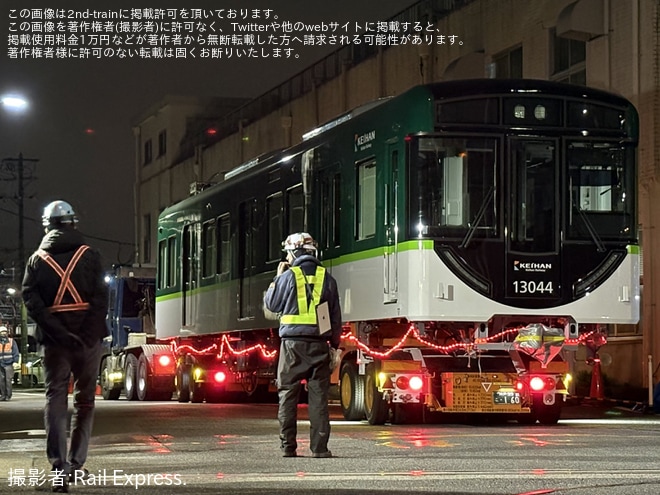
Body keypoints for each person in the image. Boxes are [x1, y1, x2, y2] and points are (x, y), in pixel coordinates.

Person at [22, 200, 109, 493]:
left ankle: (58, 468)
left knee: (55, 399)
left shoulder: (36, 260)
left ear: (47, 226)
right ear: (73, 224)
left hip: (55, 344)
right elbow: (100, 299)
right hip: (88, 341)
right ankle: (76, 463)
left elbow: (32, 301)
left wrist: (59, 331)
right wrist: (85, 334)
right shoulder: (91, 255)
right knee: (85, 401)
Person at [263, 232, 342, 458]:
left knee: (287, 395)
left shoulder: (288, 277)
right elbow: (335, 317)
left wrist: (276, 279)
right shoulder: (327, 278)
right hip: (319, 345)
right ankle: (320, 448)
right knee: (318, 398)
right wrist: (334, 346)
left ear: (295, 252)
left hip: (292, 347)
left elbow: (272, 304)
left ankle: (288, 447)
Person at [0, 325, 19, 401]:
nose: (3, 333)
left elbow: (15, 352)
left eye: (5, 332)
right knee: (1, 380)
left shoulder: (11, 341)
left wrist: (15, 361)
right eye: (2, 332)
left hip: (9, 363)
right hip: (0, 363)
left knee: (8, 380)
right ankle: (3, 395)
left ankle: (8, 395)